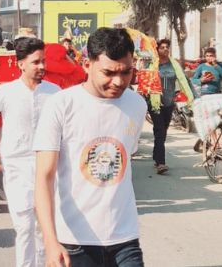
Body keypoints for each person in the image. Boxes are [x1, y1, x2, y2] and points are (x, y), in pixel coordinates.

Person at [33, 27, 147, 267]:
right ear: (87, 64)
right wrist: (50, 241)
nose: (119, 81)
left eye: (126, 72)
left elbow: (125, 159)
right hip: (74, 241)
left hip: (125, 238)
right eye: (108, 72)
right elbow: (44, 177)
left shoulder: (137, 105)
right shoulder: (61, 105)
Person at [0, 37, 60, 267]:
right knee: (24, 227)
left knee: (44, 226)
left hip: (48, 167)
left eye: (43, 61)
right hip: (17, 167)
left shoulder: (55, 93)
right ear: (21, 64)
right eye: (36, 62)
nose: (42, 66)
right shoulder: (7, 92)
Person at [144, 39, 194, 175]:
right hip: (155, 103)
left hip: (169, 103)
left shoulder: (174, 65)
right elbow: (144, 82)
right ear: (157, 50)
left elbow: (185, 80)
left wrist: (193, 97)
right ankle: (161, 163)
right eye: (162, 47)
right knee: (160, 130)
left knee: (163, 131)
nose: (165, 49)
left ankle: (156, 155)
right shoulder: (151, 65)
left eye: (167, 47)